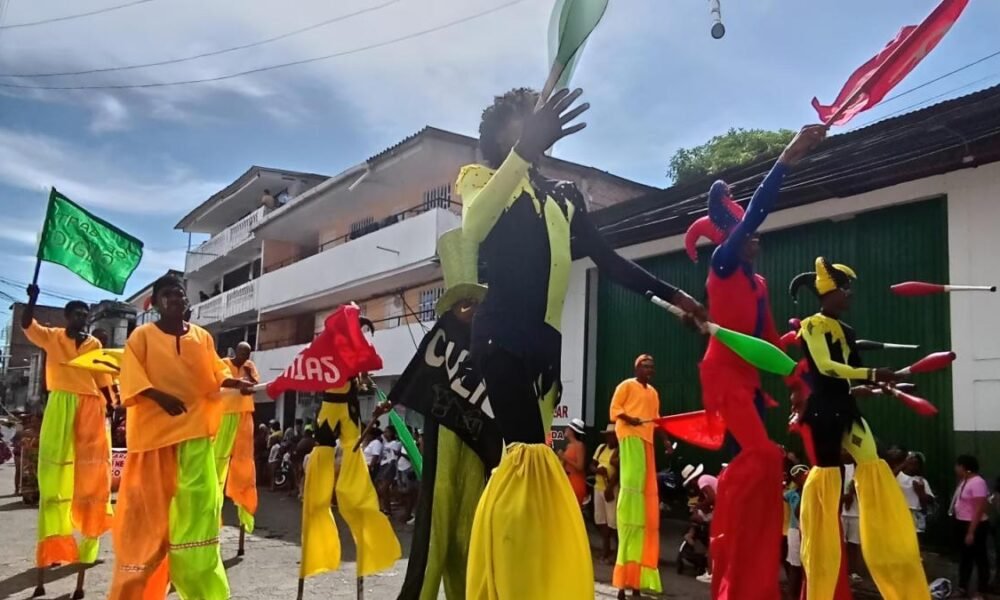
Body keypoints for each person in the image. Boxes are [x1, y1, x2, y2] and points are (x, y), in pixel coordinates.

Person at [460, 87, 703, 600]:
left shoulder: (567, 195)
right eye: (521, 124)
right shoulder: (481, 180)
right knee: (527, 457)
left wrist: (674, 295)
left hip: (546, 347)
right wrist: (522, 152)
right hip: (499, 333)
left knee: (532, 463)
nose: (531, 129)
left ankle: (529, 575)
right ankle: (508, 584)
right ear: (502, 135)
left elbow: (609, 260)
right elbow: (473, 230)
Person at [683, 124, 826, 600]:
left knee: (766, 461)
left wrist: (794, 357)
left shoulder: (760, 286)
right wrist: (787, 157)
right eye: (748, 233)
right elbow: (755, 213)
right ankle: (724, 515)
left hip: (750, 379)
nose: (756, 239)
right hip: (723, 373)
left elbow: (766, 342)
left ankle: (752, 570)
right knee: (764, 456)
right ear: (732, 237)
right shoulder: (723, 264)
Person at [790, 258, 928, 600]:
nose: (850, 295)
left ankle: (892, 557)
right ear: (828, 292)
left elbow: (847, 377)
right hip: (823, 412)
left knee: (874, 467)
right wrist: (870, 376)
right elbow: (825, 367)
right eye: (844, 289)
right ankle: (819, 584)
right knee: (827, 482)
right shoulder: (812, 325)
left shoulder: (847, 331)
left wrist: (872, 385)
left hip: (846, 407)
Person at [109, 274, 253, 599]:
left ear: (187, 302)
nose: (175, 299)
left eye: (179, 294)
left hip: (196, 436)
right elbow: (131, 379)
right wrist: (159, 397)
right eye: (167, 294)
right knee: (146, 525)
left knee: (201, 512)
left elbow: (216, 373)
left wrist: (236, 384)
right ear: (156, 303)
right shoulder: (141, 336)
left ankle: (200, 585)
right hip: (153, 441)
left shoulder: (202, 337)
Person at [22, 285, 115, 596]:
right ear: (67, 317)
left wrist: (113, 407)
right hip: (61, 404)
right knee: (54, 478)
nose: (82, 318)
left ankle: (89, 545)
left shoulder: (94, 343)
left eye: (85, 315)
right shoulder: (52, 336)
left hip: (91, 408)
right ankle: (54, 547)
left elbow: (103, 379)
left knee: (91, 480)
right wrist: (32, 299)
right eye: (77, 313)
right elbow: (27, 325)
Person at [298, 351, 400, 583]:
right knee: (317, 498)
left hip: (349, 419)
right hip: (329, 418)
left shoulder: (353, 365)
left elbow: (366, 374)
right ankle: (317, 548)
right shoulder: (325, 359)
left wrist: (363, 377)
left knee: (355, 487)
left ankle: (366, 532)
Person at [610, 355, 672, 598]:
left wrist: (666, 442)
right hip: (631, 437)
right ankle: (624, 584)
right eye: (645, 366)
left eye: (651, 367)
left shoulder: (653, 393)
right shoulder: (626, 386)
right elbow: (615, 410)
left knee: (644, 507)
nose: (649, 370)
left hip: (646, 441)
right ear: (636, 367)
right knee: (632, 489)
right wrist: (629, 418)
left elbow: (656, 421)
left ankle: (635, 583)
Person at [215, 341, 260, 536]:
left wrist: (248, 372)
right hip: (224, 413)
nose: (245, 357)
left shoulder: (250, 367)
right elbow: (220, 381)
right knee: (219, 457)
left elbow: (253, 386)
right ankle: (214, 498)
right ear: (236, 351)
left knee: (243, 461)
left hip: (243, 414)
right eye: (243, 353)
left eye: (248, 354)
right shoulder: (224, 363)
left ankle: (243, 501)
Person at [951, 454, 989, 599]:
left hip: (975, 525)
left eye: (957, 465)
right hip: (961, 522)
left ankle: (981, 590)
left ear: (964, 467)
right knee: (965, 558)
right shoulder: (964, 481)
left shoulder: (978, 482)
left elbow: (979, 509)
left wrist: (971, 532)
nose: (956, 468)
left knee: (980, 558)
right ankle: (962, 587)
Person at [681, 463, 718, 584]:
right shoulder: (707, 479)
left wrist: (699, 506)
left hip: (723, 509)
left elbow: (712, 498)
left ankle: (711, 573)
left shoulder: (702, 480)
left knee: (714, 541)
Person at [592, 424, 620, 564]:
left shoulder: (619, 450)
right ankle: (605, 549)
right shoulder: (601, 448)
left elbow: (619, 471)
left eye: (612, 435)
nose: (610, 438)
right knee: (601, 520)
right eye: (608, 435)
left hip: (611, 488)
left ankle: (616, 553)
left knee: (613, 522)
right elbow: (591, 465)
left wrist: (610, 487)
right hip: (598, 487)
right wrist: (598, 470)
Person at [785, 464, 809, 599]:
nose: (802, 478)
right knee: (795, 567)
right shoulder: (792, 494)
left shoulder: (814, 491)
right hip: (795, 532)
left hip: (810, 532)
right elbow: (797, 512)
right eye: (798, 477)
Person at [898, 451, 935, 537]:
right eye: (911, 462)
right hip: (900, 514)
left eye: (916, 464)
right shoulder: (898, 477)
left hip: (917, 515)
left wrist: (921, 492)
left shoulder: (921, 480)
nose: (913, 466)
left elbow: (930, 501)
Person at [841, 458, 865, 583]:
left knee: (853, 544)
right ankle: (842, 570)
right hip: (841, 511)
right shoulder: (838, 467)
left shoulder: (860, 468)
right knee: (841, 543)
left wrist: (852, 493)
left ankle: (853, 571)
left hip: (856, 512)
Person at [561, 418, 588, 507]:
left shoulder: (579, 445)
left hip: (576, 481)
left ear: (572, 431)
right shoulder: (568, 446)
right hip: (568, 480)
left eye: (568, 428)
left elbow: (580, 466)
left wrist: (564, 457)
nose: (566, 429)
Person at [376, 427, 400, 514]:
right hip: (383, 465)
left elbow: (394, 457)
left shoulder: (394, 443)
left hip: (389, 466)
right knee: (382, 489)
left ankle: (387, 509)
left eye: (387, 432)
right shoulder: (385, 443)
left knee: (384, 488)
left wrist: (389, 468)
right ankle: (385, 507)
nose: (384, 433)